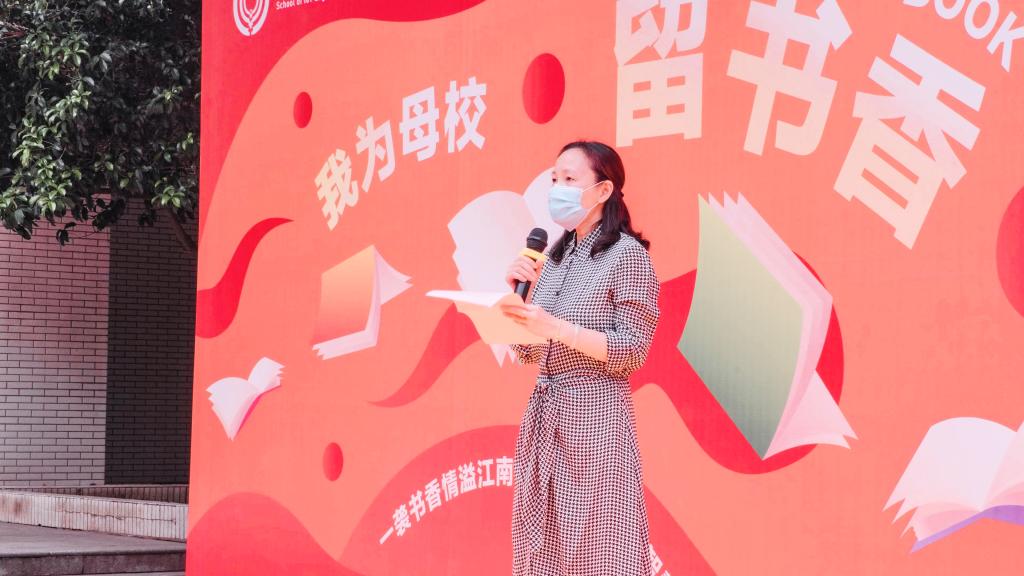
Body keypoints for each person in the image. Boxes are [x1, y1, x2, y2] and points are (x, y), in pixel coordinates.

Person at [501, 140, 660, 575]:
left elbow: (633, 349)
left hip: (596, 419)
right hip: (545, 418)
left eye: (570, 179)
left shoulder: (627, 255)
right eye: (555, 179)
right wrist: (514, 305)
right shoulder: (555, 256)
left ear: (603, 190)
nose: (558, 188)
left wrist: (558, 329)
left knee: (600, 549)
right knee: (543, 550)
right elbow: (528, 351)